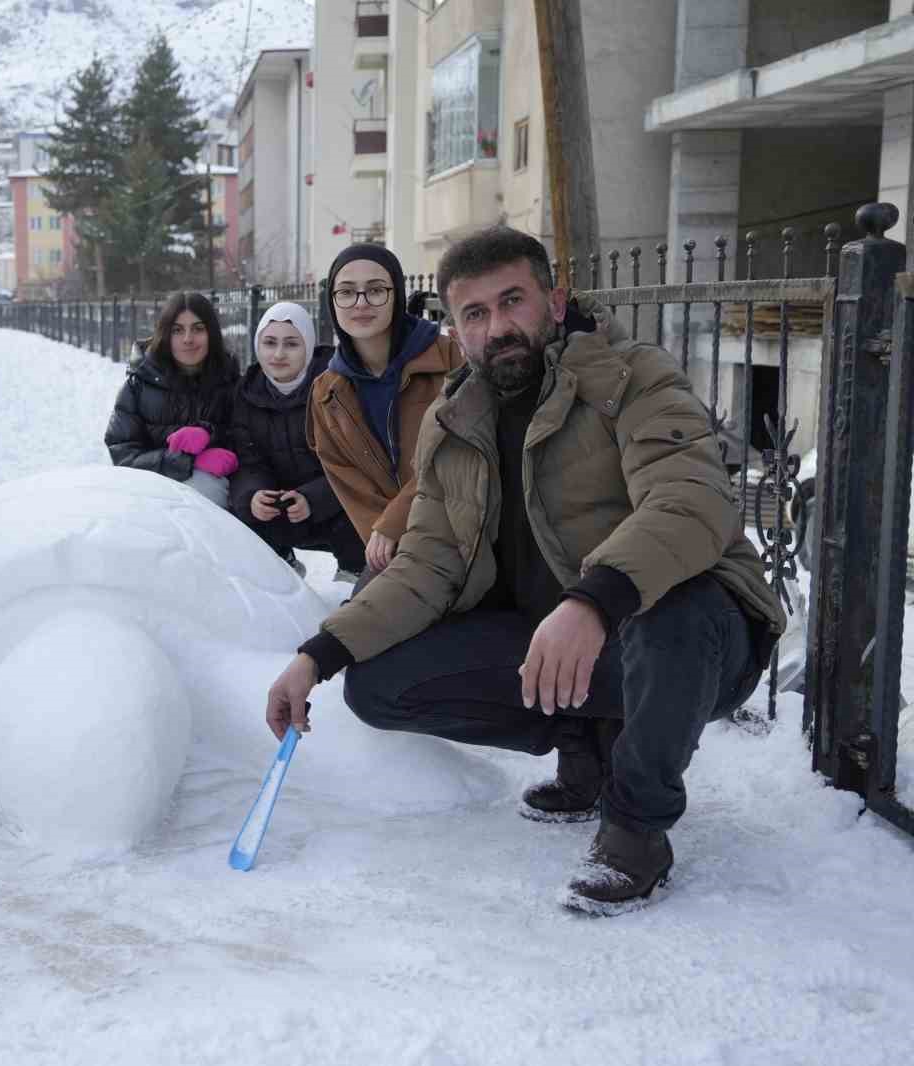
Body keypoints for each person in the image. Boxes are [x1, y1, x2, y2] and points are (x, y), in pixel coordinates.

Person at [264, 226, 784, 915]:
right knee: (379, 684)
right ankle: (585, 742)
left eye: (513, 301)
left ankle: (636, 827)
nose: (497, 326)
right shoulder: (454, 424)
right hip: (565, 645)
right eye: (475, 314)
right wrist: (317, 655)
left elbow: (691, 503)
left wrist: (594, 601)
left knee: (675, 611)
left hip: (693, 642)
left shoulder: (633, 379)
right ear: (456, 327)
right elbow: (425, 565)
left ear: (555, 301)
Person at [308, 244, 464, 576]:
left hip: (460, 529)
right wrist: (384, 533)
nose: (361, 303)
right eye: (347, 292)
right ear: (332, 302)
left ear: (396, 295)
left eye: (376, 290)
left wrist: (396, 523)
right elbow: (346, 478)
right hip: (394, 552)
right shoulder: (327, 392)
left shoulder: (449, 359)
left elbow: (457, 450)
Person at [227, 301, 365, 580]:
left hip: (334, 507)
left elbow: (354, 462)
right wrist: (254, 496)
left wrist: (313, 498)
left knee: (357, 517)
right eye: (269, 343)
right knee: (241, 517)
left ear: (308, 346)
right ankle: (281, 571)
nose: (278, 354)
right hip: (281, 508)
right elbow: (248, 460)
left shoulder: (334, 386)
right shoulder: (246, 393)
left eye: (291, 344)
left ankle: (353, 574)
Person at [105, 292, 240, 507]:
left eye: (198, 328)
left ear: (211, 333)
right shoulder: (139, 383)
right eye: (177, 330)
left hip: (215, 493)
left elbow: (246, 437)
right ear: (165, 334)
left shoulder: (230, 380)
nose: (188, 339)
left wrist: (210, 434)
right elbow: (122, 453)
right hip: (151, 494)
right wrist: (188, 461)